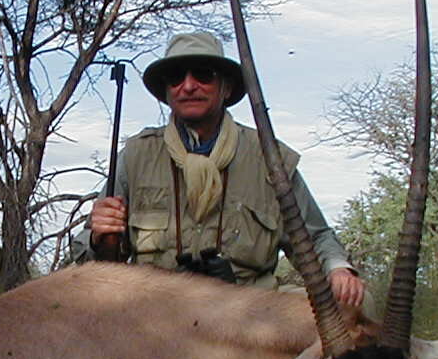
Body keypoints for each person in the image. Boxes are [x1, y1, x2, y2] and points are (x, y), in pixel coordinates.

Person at [72, 30, 365, 308]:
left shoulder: (269, 156)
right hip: (156, 316)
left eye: (203, 74)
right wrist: (100, 237)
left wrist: (338, 270)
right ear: (167, 91)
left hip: (250, 312)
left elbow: (315, 237)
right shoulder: (135, 155)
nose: (188, 86)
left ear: (226, 87)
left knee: (355, 305)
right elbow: (90, 260)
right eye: (176, 77)